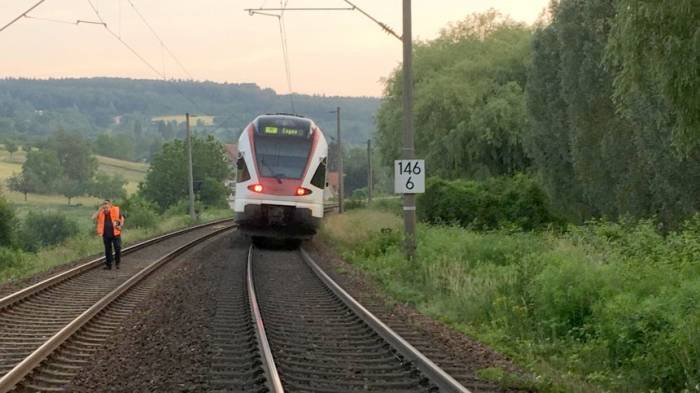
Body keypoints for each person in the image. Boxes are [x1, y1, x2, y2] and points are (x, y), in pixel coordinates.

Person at [92, 199, 125, 270]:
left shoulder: (115, 210)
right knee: (107, 250)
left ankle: (117, 263)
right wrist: (99, 209)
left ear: (110, 206)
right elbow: (93, 217)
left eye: (107, 207)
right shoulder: (101, 212)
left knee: (117, 248)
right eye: (104, 208)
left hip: (115, 233)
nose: (105, 209)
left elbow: (122, 218)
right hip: (106, 234)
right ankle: (108, 265)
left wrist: (120, 226)